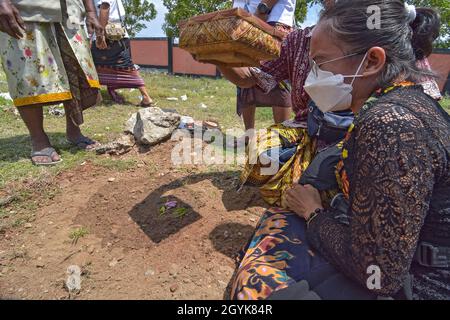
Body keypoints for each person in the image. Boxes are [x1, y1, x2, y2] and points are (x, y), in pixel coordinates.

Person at [231, 0, 450, 300]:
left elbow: (379, 275)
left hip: (419, 286)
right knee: (276, 228)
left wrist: (314, 214)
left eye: (320, 62)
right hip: (398, 265)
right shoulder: (403, 102)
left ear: (372, 61)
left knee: (262, 291)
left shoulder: (389, 125)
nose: (311, 77)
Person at [0, 0, 103, 165]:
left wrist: (91, 11)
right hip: (25, 10)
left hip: (70, 11)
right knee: (29, 73)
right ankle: (39, 140)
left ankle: (74, 130)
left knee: (76, 69)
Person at [231, 0, 297, 136]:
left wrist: (262, 11)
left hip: (272, 19)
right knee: (245, 81)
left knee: (277, 81)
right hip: (243, 21)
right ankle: (249, 135)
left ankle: (281, 137)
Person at [91, 0, 154, 107]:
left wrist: (100, 36)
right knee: (121, 66)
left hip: (107, 36)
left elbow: (104, 8)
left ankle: (93, 97)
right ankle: (142, 96)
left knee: (94, 65)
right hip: (119, 35)